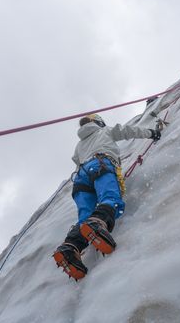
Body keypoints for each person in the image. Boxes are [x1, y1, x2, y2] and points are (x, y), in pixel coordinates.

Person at [53, 113, 161, 280]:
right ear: (99, 122)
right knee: (110, 198)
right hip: (100, 164)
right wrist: (152, 133)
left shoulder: (79, 144)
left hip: (80, 178)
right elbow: (127, 131)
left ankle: (70, 247)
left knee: (85, 217)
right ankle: (98, 224)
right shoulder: (104, 131)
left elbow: (76, 160)